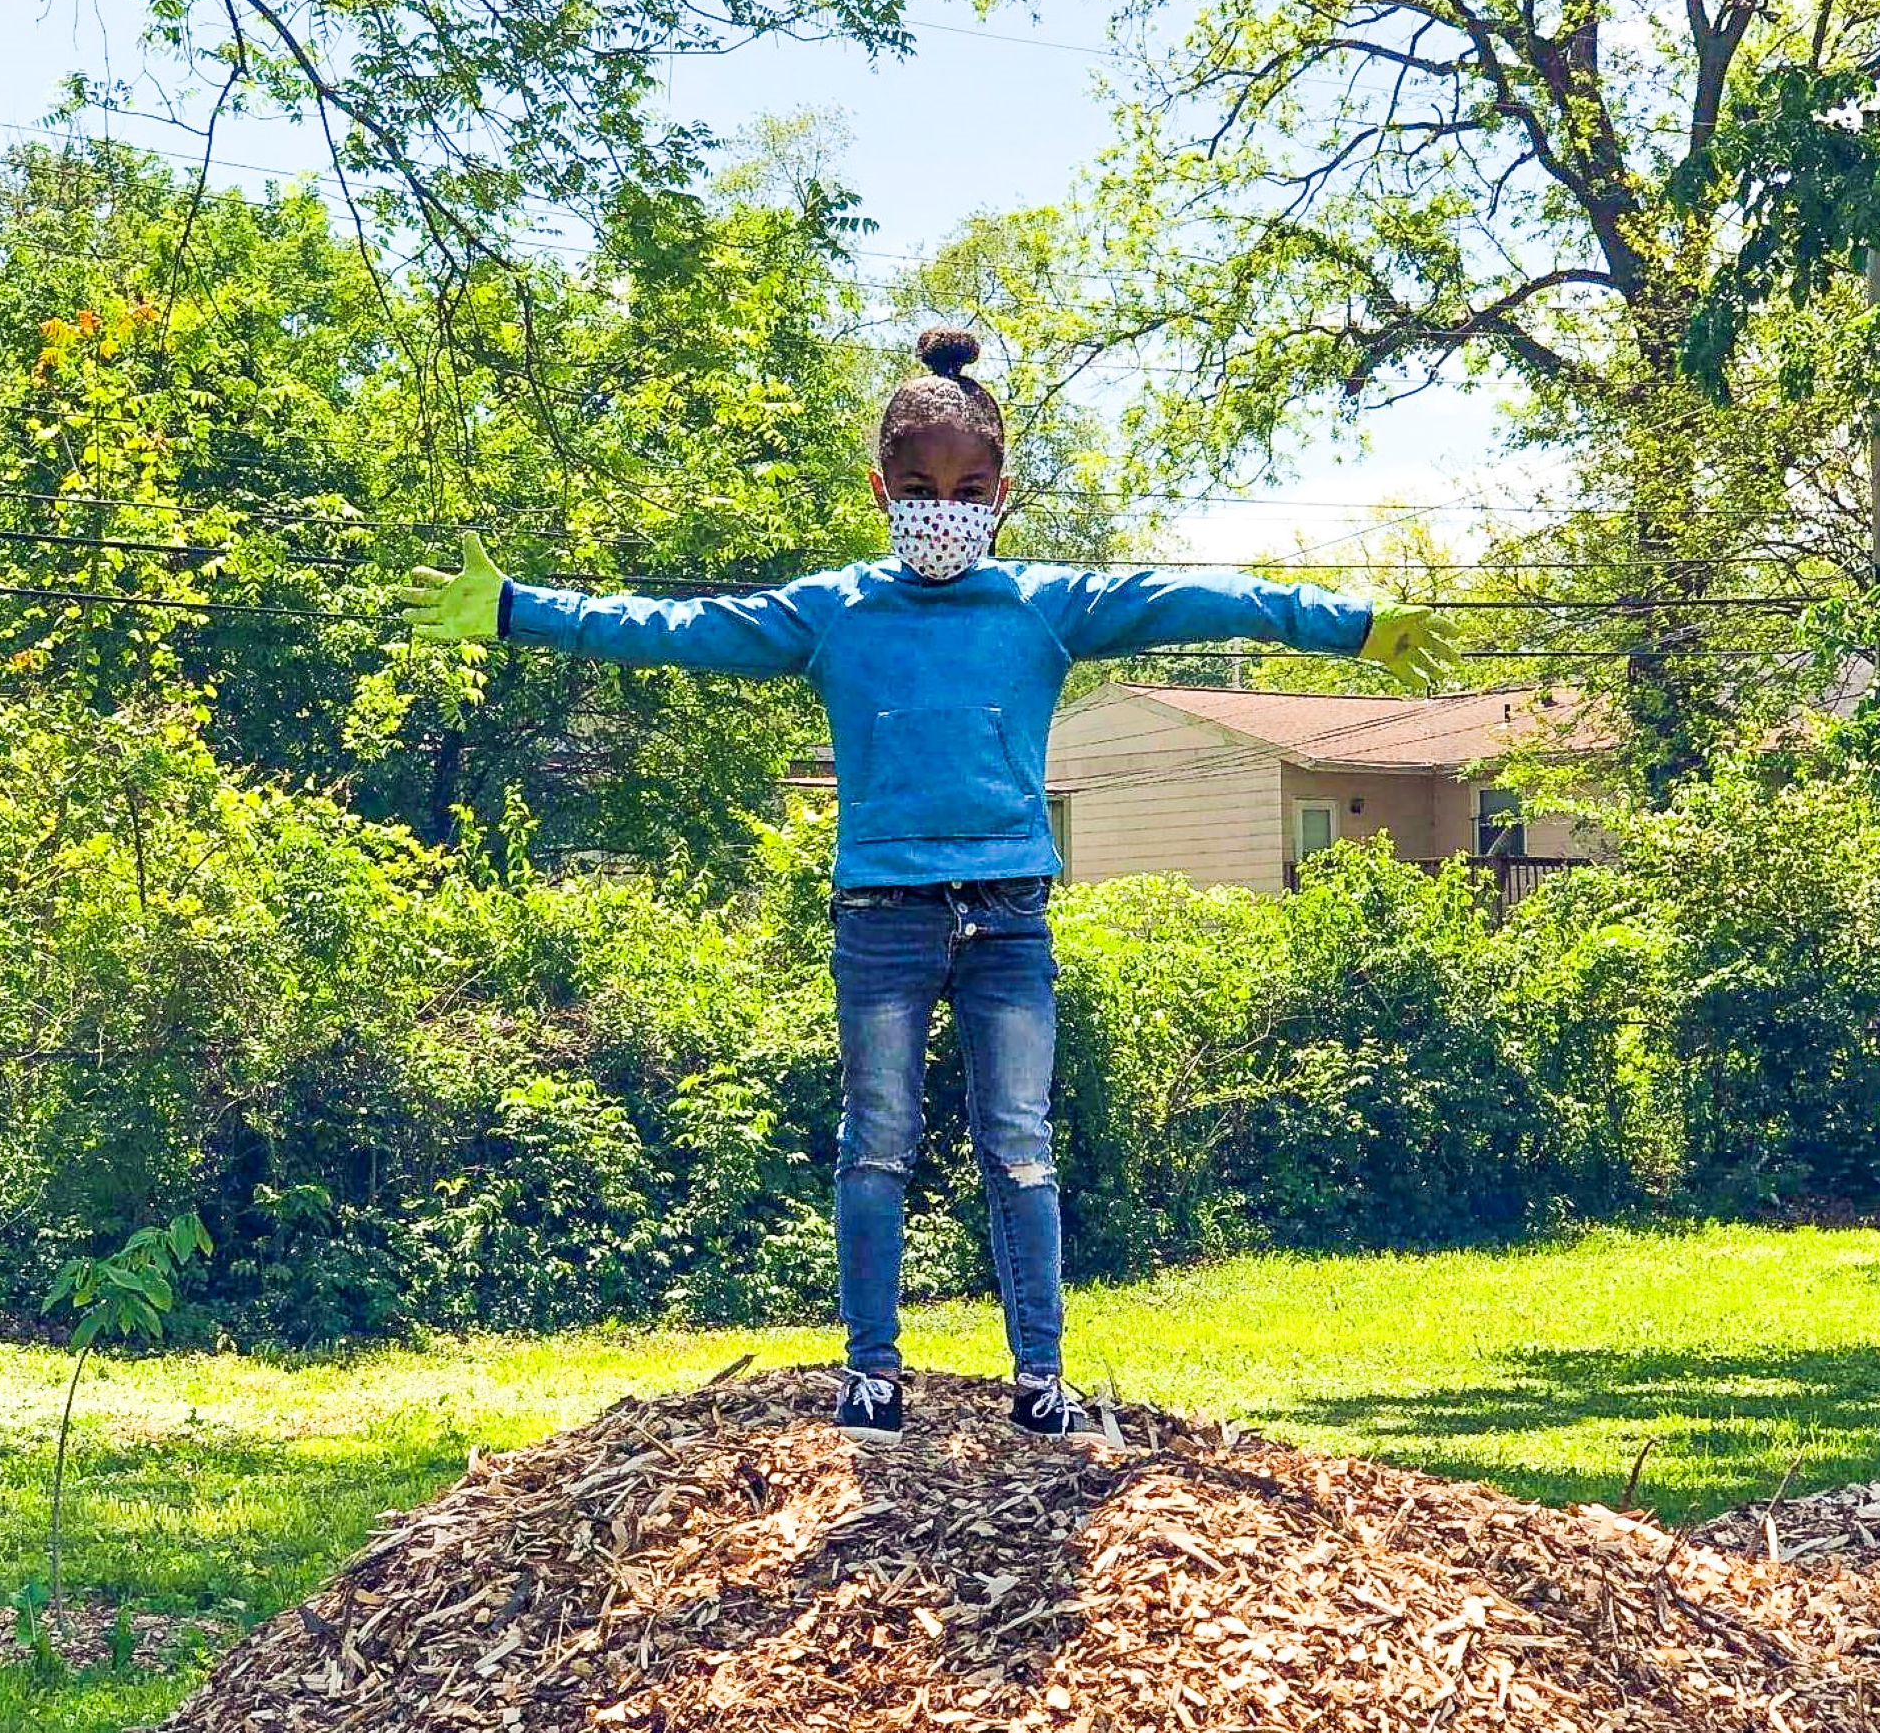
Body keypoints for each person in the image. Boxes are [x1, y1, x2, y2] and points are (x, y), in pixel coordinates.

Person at [400, 327, 1455, 1445]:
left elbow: (1203, 599)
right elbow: (676, 628)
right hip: (882, 920)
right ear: (880, 490)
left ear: (1001, 495)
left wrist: (1350, 628)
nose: (939, 507)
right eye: (916, 487)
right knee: (877, 1142)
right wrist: (517, 606)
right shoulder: (834, 612)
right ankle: (870, 1374)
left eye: (963, 489)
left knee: (1019, 1143)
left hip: (1007, 918)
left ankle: (1038, 1377)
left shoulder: (1046, 606)